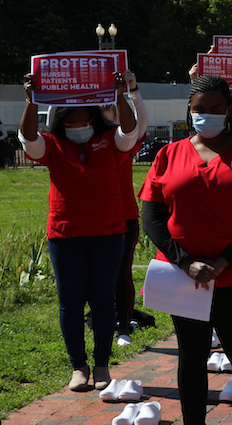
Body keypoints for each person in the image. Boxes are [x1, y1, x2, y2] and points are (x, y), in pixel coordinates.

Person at [140, 75, 232, 425]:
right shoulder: (168, 154)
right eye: (200, 109)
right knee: (192, 355)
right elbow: (152, 219)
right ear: (189, 111)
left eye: (216, 109)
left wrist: (223, 262)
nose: (208, 115)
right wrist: (186, 263)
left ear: (230, 110)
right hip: (182, 277)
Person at [19, 71, 138, 392]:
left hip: (109, 233)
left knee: (102, 301)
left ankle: (101, 365)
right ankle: (78, 367)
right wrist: (32, 101)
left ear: (95, 120)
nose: (79, 128)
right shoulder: (53, 145)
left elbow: (129, 130)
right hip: (65, 235)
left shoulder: (110, 141)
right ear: (60, 124)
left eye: (85, 122)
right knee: (69, 303)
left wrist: (120, 94)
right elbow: (28, 139)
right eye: (71, 124)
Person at [100, 74, 150, 346]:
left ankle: (123, 325)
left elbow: (141, 122)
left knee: (122, 272)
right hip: (94, 218)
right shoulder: (85, 140)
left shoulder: (123, 141)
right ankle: (103, 320)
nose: (110, 109)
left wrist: (133, 91)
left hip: (124, 217)